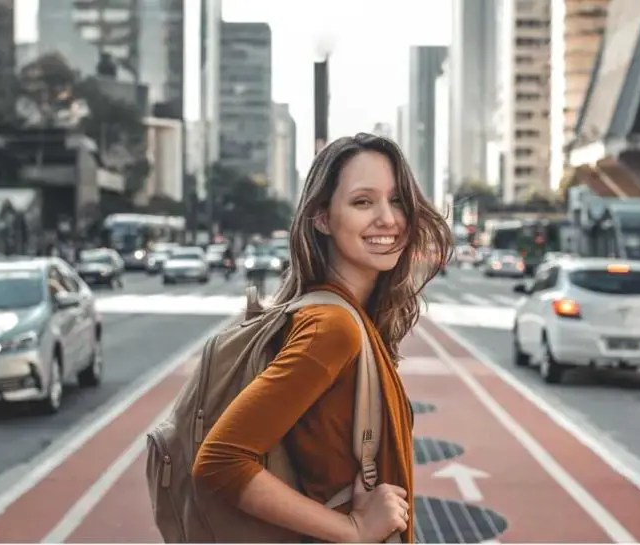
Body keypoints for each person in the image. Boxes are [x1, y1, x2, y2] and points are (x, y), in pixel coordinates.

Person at [191, 133, 452, 543]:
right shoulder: (332, 327)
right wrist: (354, 529)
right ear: (322, 218)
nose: (388, 218)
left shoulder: (346, 315)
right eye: (363, 202)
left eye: (397, 200)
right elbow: (220, 461)